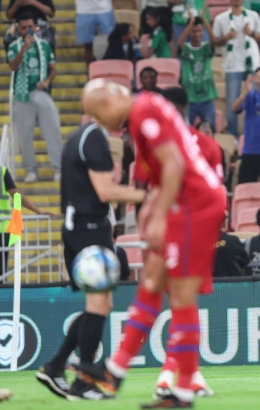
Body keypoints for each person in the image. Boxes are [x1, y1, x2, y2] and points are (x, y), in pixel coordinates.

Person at [72, 82, 227, 408]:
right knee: (152, 281)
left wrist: (157, 215)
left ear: (112, 98)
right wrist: (152, 210)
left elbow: (174, 165)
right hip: (182, 202)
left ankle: (182, 392)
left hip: (194, 206)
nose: (101, 121)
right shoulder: (144, 111)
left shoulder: (143, 111)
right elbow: (163, 172)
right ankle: (114, 370)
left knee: (180, 295)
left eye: (99, 112)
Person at [35, 84, 146, 400]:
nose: (125, 112)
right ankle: (83, 380)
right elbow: (105, 192)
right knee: (99, 304)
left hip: (75, 230)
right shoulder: (95, 138)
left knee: (98, 304)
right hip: (89, 230)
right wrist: (150, 195)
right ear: (104, 106)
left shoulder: (78, 137)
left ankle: (55, 367)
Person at [8, 14, 62, 183]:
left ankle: (58, 169)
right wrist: (24, 48)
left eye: (29, 27)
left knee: (53, 131)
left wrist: (46, 81)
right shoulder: (14, 46)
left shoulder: (45, 45)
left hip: (41, 92)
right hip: (22, 94)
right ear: (19, 29)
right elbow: (13, 66)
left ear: (35, 27)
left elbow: (53, 68)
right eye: (23, 28)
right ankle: (31, 170)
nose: (27, 30)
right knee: (24, 135)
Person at [213, 0, 260, 138]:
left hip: (251, 64)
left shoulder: (253, 15)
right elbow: (215, 41)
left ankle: (254, 134)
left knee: (254, 100)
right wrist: (226, 37)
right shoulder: (221, 18)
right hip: (232, 65)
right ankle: (233, 137)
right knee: (232, 104)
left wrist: (251, 33)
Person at [0, 166, 54, 279]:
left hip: (3, 230)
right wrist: (38, 211)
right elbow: (16, 194)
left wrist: (39, 211)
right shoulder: (2, 170)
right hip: (2, 229)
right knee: (1, 274)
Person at [178, 12, 218, 128]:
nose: (197, 34)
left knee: (210, 130)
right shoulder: (185, 48)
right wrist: (190, 23)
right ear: (189, 32)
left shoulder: (206, 47)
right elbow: (180, 44)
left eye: (199, 31)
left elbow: (213, 41)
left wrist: (205, 20)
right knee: (186, 131)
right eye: (193, 31)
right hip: (189, 99)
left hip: (207, 98)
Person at [75, 0, 115, 65]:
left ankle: (108, 71)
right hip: (84, 10)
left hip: (105, 9)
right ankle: (90, 73)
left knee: (110, 43)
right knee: (87, 45)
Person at [213, 212, 250, 276]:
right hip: (232, 285)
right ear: (224, 223)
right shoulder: (233, 241)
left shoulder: (201, 244)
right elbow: (245, 263)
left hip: (210, 284)